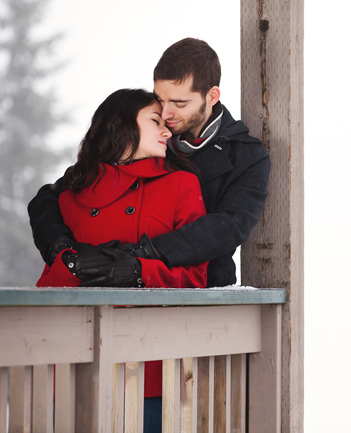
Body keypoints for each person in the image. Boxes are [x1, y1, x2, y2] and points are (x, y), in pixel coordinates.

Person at [28, 38, 270, 288]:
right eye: (160, 100)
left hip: (199, 293)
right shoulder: (145, 138)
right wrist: (60, 249)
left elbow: (228, 227)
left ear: (211, 96)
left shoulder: (246, 156)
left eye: (179, 103)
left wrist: (138, 256)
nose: (166, 114)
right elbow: (53, 196)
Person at [35, 88, 209, 433]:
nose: (167, 131)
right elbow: (50, 284)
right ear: (120, 127)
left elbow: (195, 277)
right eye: (156, 121)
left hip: (151, 367)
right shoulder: (72, 195)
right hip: (74, 364)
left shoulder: (181, 185)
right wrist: (75, 266)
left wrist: (138, 271)